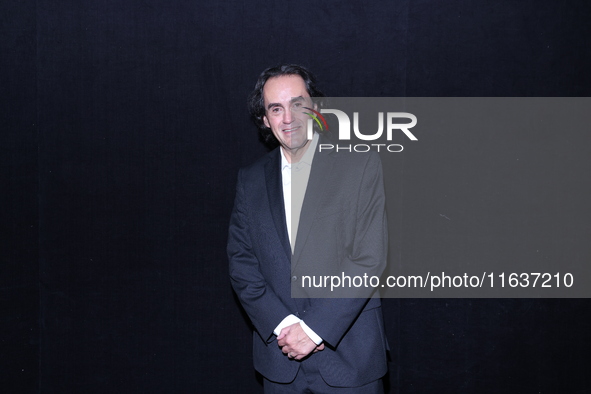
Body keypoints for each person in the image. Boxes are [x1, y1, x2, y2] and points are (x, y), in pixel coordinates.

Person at [228, 64, 388, 393]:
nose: (288, 118)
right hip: (280, 358)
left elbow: (369, 258)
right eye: (276, 108)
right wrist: (285, 326)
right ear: (264, 119)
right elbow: (242, 264)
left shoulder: (359, 165)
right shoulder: (250, 180)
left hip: (350, 357)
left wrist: (315, 330)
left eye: (297, 104)